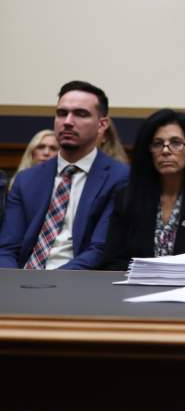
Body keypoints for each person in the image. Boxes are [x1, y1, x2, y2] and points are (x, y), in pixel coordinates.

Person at [0, 81, 130, 270]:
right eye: (62, 113)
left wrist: (49, 284)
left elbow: (100, 249)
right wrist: (15, 284)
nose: (68, 122)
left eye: (81, 114)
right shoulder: (27, 179)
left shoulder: (120, 177)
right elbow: (7, 248)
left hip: (76, 284)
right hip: (22, 281)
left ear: (102, 124)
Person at [101, 109, 185, 271]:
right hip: (135, 290)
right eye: (157, 144)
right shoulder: (129, 197)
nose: (165, 151)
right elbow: (112, 261)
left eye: (175, 143)